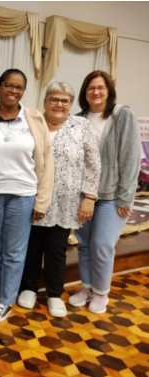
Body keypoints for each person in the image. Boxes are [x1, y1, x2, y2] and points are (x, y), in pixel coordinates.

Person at [0, 68, 54, 322]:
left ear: (23, 92)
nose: (13, 91)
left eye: (19, 87)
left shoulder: (34, 119)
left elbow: (47, 161)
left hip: (23, 195)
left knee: (15, 252)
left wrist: (42, 200)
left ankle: (6, 300)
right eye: (9, 85)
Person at [17, 82, 101, 317]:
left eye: (65, 100)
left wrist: (90, 197)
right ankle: (28, 288)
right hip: (32, 197)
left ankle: (54, 293)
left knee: (56, 249)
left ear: (71, 104)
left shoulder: (81, 126)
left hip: (66, 203)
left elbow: (94, 165)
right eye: (54, 99)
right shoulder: (32, 123)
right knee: (31, 247)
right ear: (45, 102)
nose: (59, 104)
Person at [68, 71, 141, 314]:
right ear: (84, 93)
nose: (96, 92)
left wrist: (126, 197)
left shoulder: (122, 115)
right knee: (84, 244)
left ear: (109, 91)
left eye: (100, 87)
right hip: (83, 195)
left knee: (102, 245)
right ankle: (86, 288)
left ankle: (101, 292)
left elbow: (131, 158)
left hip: (111, 196)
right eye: (91, 88)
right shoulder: (77, 119)